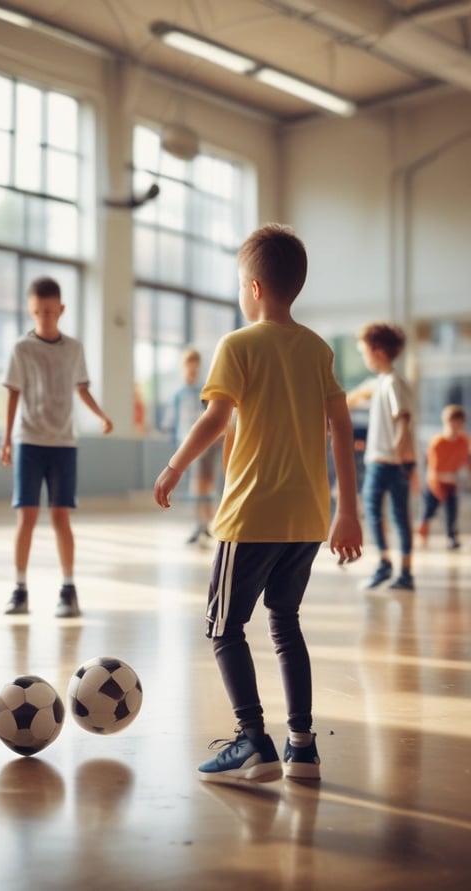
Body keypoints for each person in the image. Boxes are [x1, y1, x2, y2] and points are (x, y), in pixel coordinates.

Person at [154, 223, 362, 783]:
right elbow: (340, 426)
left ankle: (253, 741)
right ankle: (302, 747)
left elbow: (216, 419)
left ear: (252, 288)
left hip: (249, 516)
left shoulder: (237, 345)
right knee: (285, 622)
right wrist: (348, 509)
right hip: (308, 518)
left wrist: (173, 467)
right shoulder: (318, 349)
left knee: (223, 628)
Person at [0, 275, 113, 618]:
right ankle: (19, 588)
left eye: (50, 311)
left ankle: (68, 587)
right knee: (27, 517)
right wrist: (6, 439)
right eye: (38, 312)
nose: (44, 317)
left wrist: (101, 416)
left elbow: (82, 389)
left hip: (64, 443)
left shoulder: (74, 349)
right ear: (30, 310)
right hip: (30, 442)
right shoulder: (22, 348)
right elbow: (13, 392)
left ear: (61, 309)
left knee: (61, 516)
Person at [347, 322, 416, 590]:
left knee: (375, 511)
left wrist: (398, 455)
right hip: (394, 461)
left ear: (378, 351)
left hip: (385, 461)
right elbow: (353, 398)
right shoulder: (384, 382)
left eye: (364, 350)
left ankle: (386, 565)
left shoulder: (391, 383)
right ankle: (403, 572)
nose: (363, 356)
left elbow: (403, 420)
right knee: (398, 515)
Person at [166, 347, 224, 545]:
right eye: (189, 368)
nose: (192, 372)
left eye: (195, 368)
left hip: (209, 444)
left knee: (208, 483)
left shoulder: (204, 392)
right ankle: (197, 524)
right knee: (196, 485)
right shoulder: (179, 395)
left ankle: (207, 524)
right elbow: (172, 422)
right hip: (190, 445)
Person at [417, 404, 471, 550]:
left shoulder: (464, 441)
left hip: (451, 482)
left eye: (459, 423)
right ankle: (422, 529)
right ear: (446, 422)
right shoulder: (437, 443)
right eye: (453, 422)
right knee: (429, 510)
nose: (455, 426)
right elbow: (433, 470)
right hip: (435, 482)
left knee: (451, 509)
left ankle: (451, 537)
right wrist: (439, 488)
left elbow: (467, 460)